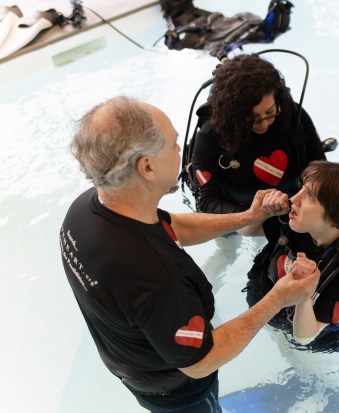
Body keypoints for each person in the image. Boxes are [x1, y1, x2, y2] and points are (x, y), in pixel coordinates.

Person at [59, 96, 320, 412]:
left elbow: (172, 226)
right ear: (147, 166)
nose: (180, 152)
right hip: (178, 393)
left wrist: (246, 217)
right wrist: (279, 298)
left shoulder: (89, 208)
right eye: (173, 145)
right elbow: (200, 362)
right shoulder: (154, 276)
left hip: (134, 362)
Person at [243, 161, 339, 345]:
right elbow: (246, 231)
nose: (293, 199)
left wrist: (304, 291)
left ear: (335, 215)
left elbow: (305, 338)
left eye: (309, 196)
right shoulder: (299, 220)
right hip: (270, 308)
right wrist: (257, 213)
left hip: (315, 338)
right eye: (302, 188)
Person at [187, 53, 326, 220]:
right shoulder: (211, 135)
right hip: (236, 215)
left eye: (269, 112)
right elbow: (206, 202)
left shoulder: (293, 116)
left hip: (293, 207)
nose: (263, 124)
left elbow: (322, 172)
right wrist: (252, 216)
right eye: (251, 118)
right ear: (233, 114)